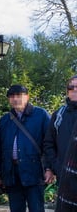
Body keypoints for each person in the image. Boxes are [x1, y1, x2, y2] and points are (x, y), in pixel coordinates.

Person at [0, 84, 51, 212]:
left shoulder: (40, 115)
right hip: (11, 173)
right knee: (16, 209)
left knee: (36, 208)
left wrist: (49, 168)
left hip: (34, 171)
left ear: (27, 97)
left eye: (19, 96)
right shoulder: (5, 120)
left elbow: (49, 143)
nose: (15, 99)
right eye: (12, 96)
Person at [44, 75, 77, 211]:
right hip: (66, 176)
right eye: (71, 87)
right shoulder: (59, 115)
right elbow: (49, 143)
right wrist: (55, 166)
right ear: (67, 91)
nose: (74, 90)